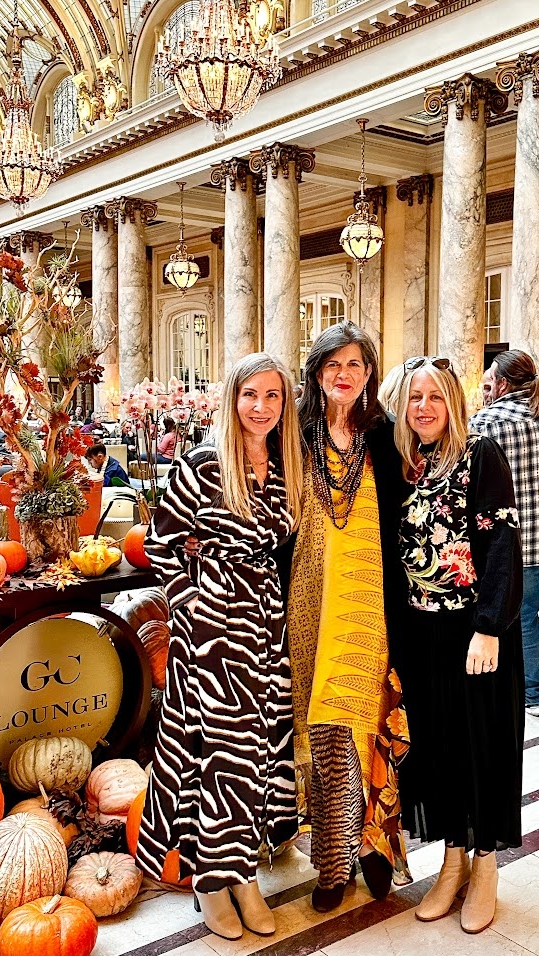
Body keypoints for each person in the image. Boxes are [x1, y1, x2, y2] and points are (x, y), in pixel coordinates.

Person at [136, 353, 303, 941]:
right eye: (250, 395)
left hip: (265, 624)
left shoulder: (285, 466)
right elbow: (158, 546)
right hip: (214, 626)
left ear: (285, 405)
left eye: (273, 397)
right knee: (219, 757)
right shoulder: (202, 465)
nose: (261, 407)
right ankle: (215, 881)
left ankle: (243, 873)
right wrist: (192, 605)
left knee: (257, 751)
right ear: (233, 399)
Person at [393, 356, 524, 934]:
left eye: (435, 397)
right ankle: (450, 862)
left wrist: (490, 626)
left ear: (454, 404)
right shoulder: (407, 466)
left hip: (475, 631)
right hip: (423, 636)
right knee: (438, 747)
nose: (424, 408)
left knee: (481, 746)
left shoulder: (480, 456)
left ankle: (485, 866)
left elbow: (501, 546)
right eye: (414, 398)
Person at [286, 321, 411, 914]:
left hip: (371, 601)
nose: (343, 374)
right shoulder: (298, 435)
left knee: (370, 724)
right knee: (328, 730)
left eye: (355, 364)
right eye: (332, 364)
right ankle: (333, 860)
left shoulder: (384, 436)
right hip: (312, 599)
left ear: (368, 374)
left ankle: (378, 849)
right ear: (316, 372)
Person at [469, 350, 539, 717]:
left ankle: (533, 693)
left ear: (502, 383)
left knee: (524, 619)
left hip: (519, 542)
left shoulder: (487, 422)